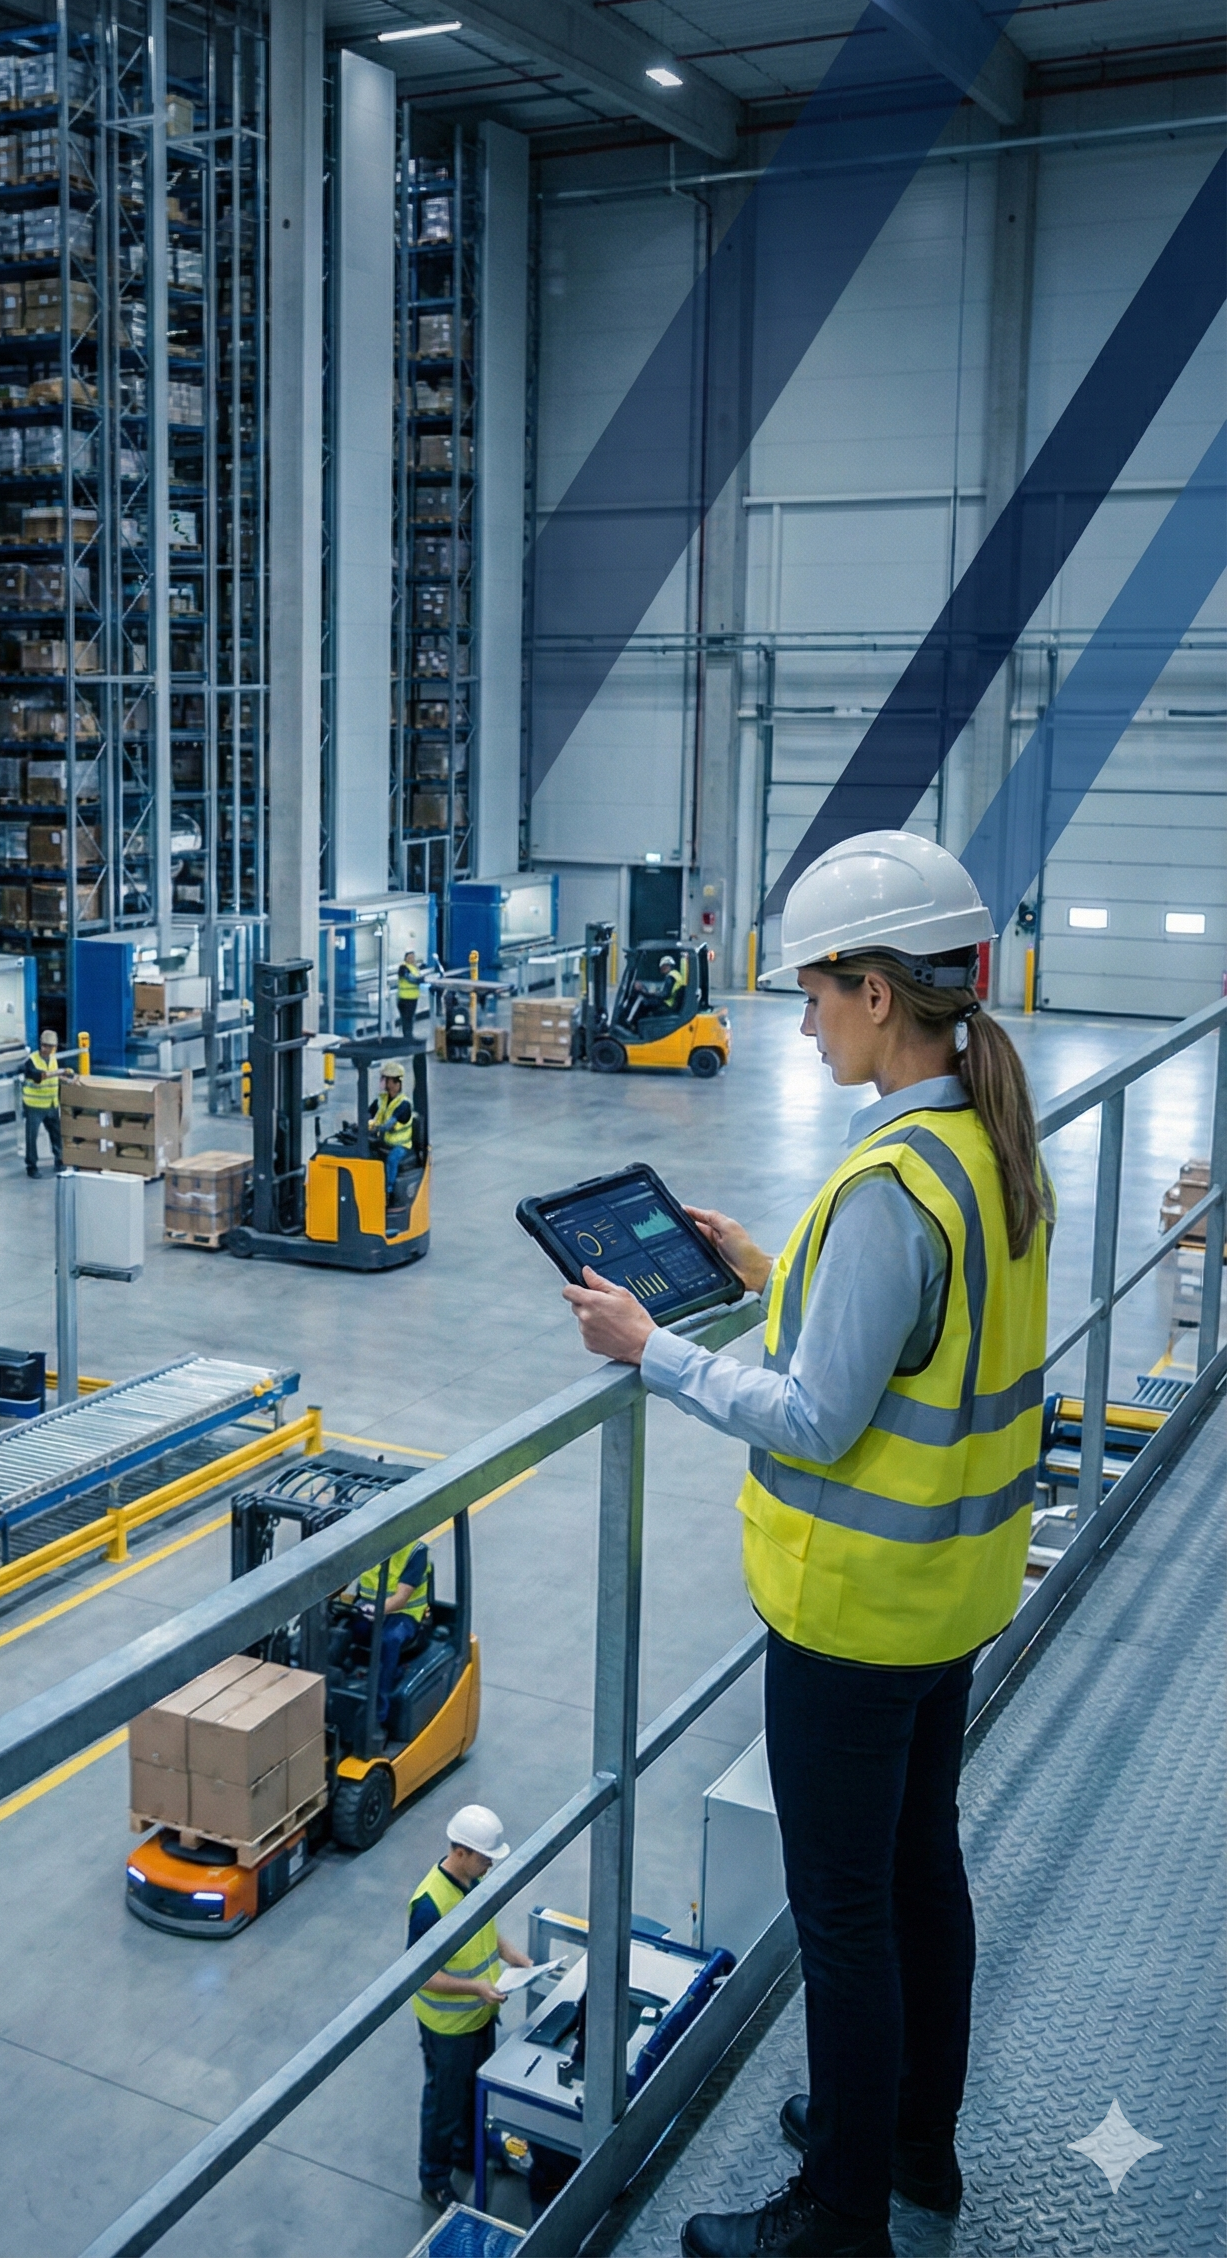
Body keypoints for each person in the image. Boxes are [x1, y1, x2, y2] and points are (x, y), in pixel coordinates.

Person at [561, 832, 1052, 2258]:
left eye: (818, 991)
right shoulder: (982, 1148)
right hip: (951, 1594)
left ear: (880, 998)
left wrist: (654, 1349)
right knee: (918, 1875)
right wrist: (782, 1273)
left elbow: (817, 1420)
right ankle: (908, 2143)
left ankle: (840, 2222)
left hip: (854, 1615)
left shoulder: (897, 1182)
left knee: (845, 1916)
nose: (804, 1015)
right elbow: (917, 1345)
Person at [410, 1805, 533, 2212]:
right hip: (447, 2028)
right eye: (485, 1858)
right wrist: (475, 1988)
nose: (488, 1865)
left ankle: (468, 2154)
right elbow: (420, 1975)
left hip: (479, 2016)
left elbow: (486, 1931)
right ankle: (434, 2179)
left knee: (471, 2097)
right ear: (460, 1851)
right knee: (444, 2106)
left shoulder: (474, 1882)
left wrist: (513, 1955)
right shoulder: (429, 1903)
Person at [342, 1536, 431, 1731]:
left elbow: (401, 1598)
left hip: (404, 1615)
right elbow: (345, 1576)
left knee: (387, 1641)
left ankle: (377, 1715)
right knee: (339, 1631)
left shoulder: (415, 1552)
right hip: (369, 1608)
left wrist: (376, 1610)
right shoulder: (368, 1545)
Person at [369, 1060, 414, 1196]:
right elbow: (369, 1112)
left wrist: (375, 1128)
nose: (383, 1083)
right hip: (385, 1141)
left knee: (392, 1159)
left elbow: (389, 1124)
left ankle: (389, 1191)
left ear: (396, 1083)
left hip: (401, 1145)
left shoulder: (403, 1104)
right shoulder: (382, 1098)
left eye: (386, 1080)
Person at [23, 1029, 62, 1177]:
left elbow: (54, 1079)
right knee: (32, 1137)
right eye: (44, 1046)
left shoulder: (53, 1059)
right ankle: (31, 1167)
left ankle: (59, 1160)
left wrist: (65, 1076)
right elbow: (37, 1076)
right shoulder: (32, 1061)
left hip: (51, 1104)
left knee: (56, 1134)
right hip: (34, 1106)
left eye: (50, 1047)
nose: (46, 1049)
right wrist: (61, 1072)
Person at [397, 951, 425, 1041]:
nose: (412, 959)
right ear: (405, 958)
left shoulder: (414, 968)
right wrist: (420, 980)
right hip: (405, 998)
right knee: (406, 1018)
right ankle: (407, 1037)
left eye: (413, 957)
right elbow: (410, 979)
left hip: (412, 998)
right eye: (410, 957)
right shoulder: (403, 967)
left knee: (409, 1018)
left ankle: (409, 1036)